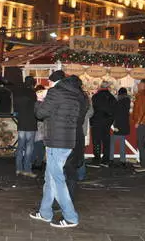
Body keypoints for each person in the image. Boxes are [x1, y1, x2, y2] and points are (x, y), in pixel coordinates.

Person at [29, 70, 81, 229]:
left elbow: (40, 113)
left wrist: (39, 99)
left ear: (52, 82)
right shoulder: (75, 94)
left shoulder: (54, 92)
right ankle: (45, 212)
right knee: (50, 177)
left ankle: (71, 217)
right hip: (67, 141)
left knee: (57, 179)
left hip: (55, 142)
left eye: (49, 82)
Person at [63, 75, 89, 203]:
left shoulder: (72, 98)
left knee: (66, 168)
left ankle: (65, 198)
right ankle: (70, 197)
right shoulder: (83, 97)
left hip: (69, 135)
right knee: (72, 168)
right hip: (78, 134)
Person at [13, 76, 38, 177]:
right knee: (29, 147)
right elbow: (35, 109)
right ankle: (27, 169)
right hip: (31, 123)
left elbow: (16, 110)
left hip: (21, 123)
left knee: (20, 147)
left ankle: (18, 169)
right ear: (33, 84)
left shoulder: (18, 93)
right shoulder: (32, 94)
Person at [89, 81, 116, 168]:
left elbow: (91, 110)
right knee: (106, 141)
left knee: (96, 141)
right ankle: (106, 159)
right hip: (106, 123)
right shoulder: (112, 98)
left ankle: (97, 159)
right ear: (108, 87)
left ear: (100, 87)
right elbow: (114, 112)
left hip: (97, 122)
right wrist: (110, 121)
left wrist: (92, 121)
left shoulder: (95, 96)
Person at [132, 80, 145, 173]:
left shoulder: (141, 96)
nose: (137, 86)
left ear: (142, 86)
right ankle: (142, 162)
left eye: (139, 85)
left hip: (142, 124)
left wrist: (138, 121)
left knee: (140, 144)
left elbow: (141, 111)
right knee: (141, 144)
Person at [110, 87, 131, 167]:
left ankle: (111, 159)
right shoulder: (127, 101)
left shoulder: (119, 103)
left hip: (118, 125)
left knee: (112, 142)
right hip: (125, 125)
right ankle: (123, 160)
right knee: (122, 143)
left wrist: (115, 125)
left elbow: (116, 114)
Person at [33, 85, 47, 170]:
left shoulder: (37, 101)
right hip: (43, 124)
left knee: (37, 144)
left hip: (38, 124)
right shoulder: (46, 101)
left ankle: (36, 162)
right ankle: (38, 162)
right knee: (40, 144)